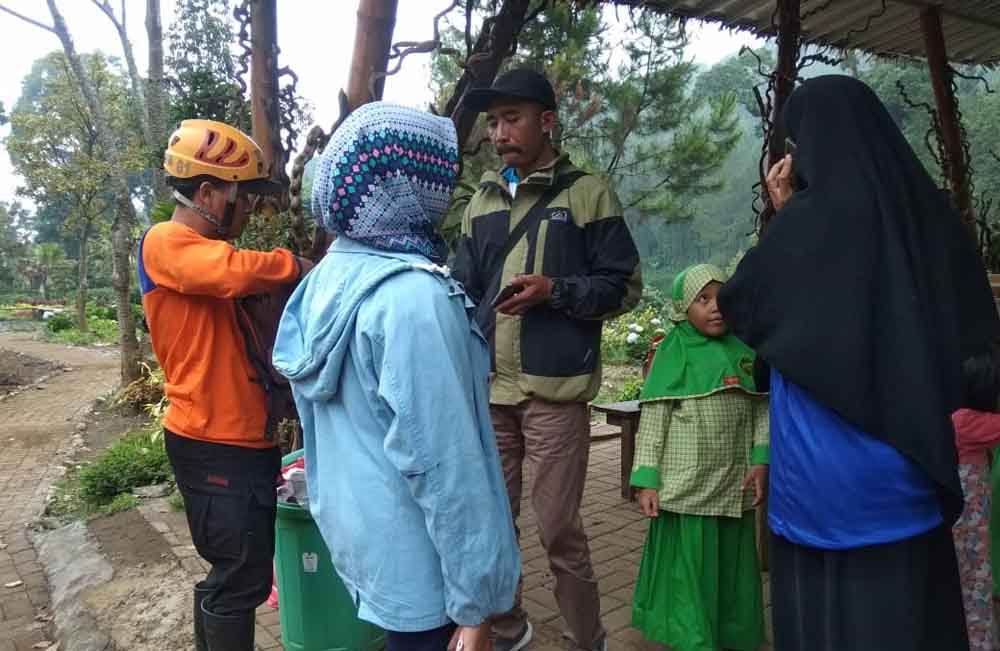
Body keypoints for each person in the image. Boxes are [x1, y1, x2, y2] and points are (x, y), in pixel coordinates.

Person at [718, 75, 1000, 651]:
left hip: (819, 486)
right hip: (907, 477)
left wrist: (785, 213)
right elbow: (977, 351)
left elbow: (743, 302)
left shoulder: (805, 224)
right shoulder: (933, 218)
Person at [272, 102, 519, 651]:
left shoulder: (327, 280)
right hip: (429, 574)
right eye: (440, 174)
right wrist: (477, 605)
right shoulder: (412, 300)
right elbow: (445, 467)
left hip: (371, 552)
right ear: (408, 187)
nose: (449, 188)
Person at [452, 68, 642, 651]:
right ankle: (508, 627)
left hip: (554, 391)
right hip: (491, 392)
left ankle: (587, 637)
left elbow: (624, 285)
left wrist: (555, 292)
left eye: (512, 118)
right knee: (494, 527)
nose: (500, 131)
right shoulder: (479, 201)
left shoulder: (587, 193)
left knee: (559, 528)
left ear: (547, 122)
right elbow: (461, 289)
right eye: (492, 121)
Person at [138, 119, 314, 651]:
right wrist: (302, 266)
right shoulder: (167, 241)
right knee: (238, 579)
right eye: (242, 197)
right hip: (211, 444)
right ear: (209, 192)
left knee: (238, 576)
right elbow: (232, 273)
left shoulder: (204, 252)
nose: (248, 211)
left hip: (240, 441)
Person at [630, 263, 768, 651]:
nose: (714, 307)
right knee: (689, 571)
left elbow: (761, 409)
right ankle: (694, 639)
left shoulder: (744, 351)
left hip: (733, 485)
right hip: (687, 488)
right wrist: (646, 479)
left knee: (731, 567)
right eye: (701, 299)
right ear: (682, 307)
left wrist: (761, 459)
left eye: (720, 297)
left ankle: (732, 634)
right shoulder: (672, 352)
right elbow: (654, 419)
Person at [952, 348, 1000, 651]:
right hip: (972, 528)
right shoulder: (973, 423)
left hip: (960, 522)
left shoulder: (955, 419)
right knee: (976, 584)